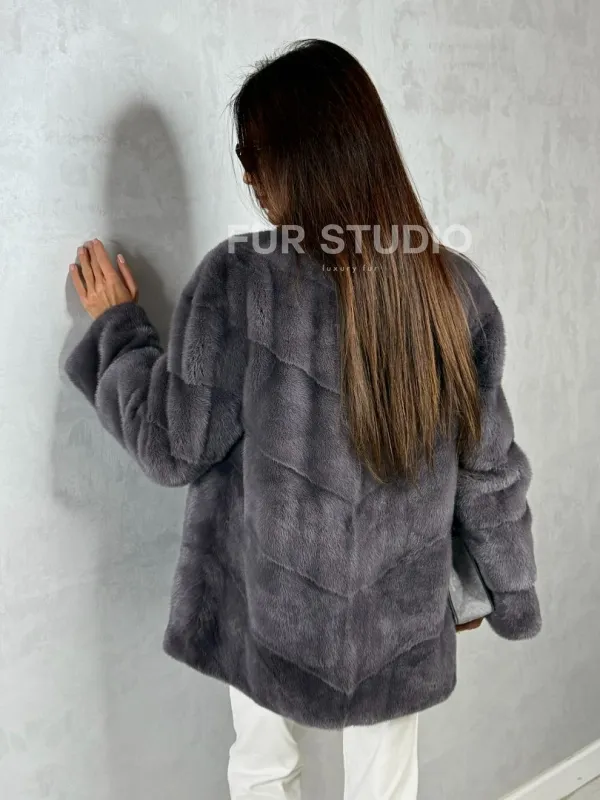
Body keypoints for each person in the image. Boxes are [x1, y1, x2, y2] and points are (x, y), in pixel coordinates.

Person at [66, 39, 541, 800]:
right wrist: (505, 589)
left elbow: (173, 446)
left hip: (264, 603)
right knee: (387, 789)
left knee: (262, 773)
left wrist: (119, 331)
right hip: (399, 616)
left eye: (250, 155)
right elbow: (489, 470)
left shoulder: (240, 281)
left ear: (290, 161)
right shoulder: (447, 288)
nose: (247, 175)